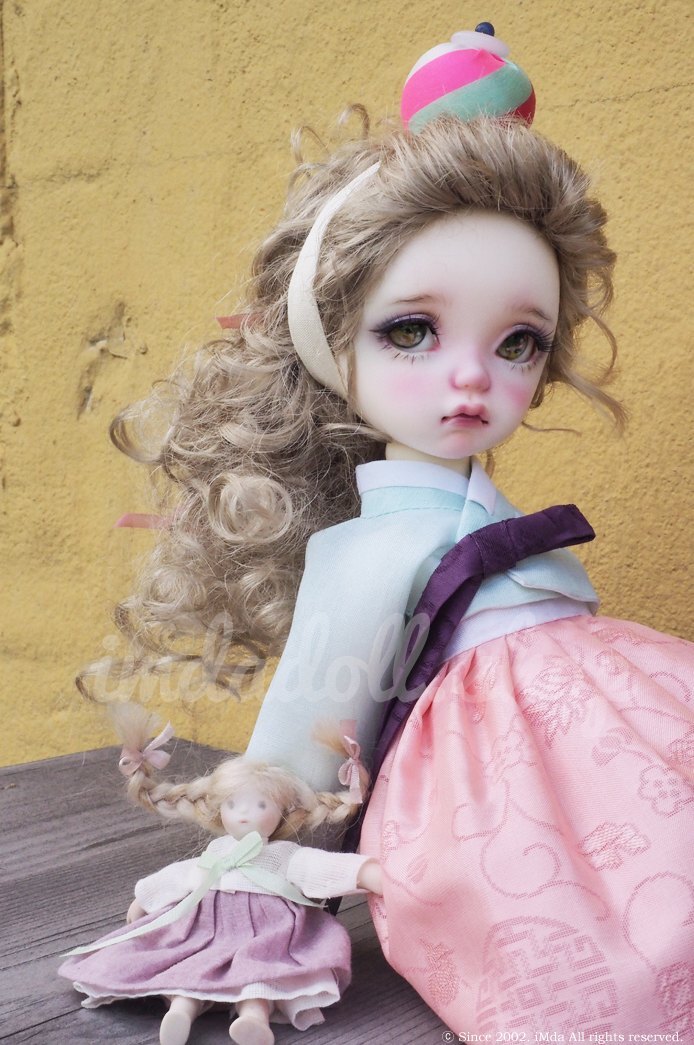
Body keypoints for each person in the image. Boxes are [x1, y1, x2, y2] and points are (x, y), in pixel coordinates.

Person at [88, 26, 693, 1039]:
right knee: (598, 954)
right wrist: (254, 877)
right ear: (334, 345)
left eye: (519, 342)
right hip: (499, 795)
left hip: (606, 733)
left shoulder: (484, 515)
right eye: (411, 331)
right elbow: (305, 732)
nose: (472, 376)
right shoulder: (367, 551)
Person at [58, 705, 381, 1045]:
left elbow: (315, 866)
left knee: (259, 971)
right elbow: (182, 875)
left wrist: (365, 873)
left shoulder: (281, 854)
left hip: (268, 930)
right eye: (233, 804)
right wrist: (145, 899)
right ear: (219, 809)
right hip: (207, 926)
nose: (244, 814)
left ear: (284, 811)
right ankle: (180, 1011)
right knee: (191, 964)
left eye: (260, 805)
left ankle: (253, 1020)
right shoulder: (217, 852)